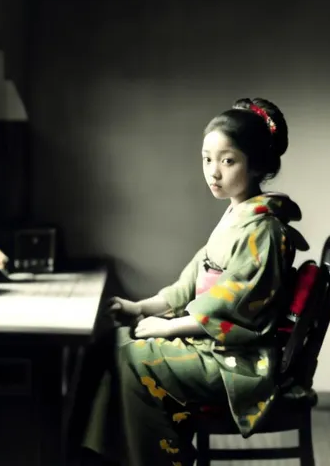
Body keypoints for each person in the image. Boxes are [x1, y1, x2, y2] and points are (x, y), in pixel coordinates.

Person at [67, 98, 309, 466]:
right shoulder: (235, 216)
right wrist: (141, 308)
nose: (214, 171)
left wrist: (166, 329)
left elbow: (232, 307)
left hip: (237, 360)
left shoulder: (264, 230)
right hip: (212, 344)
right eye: (206, 159)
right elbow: (191, 281)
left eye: (228, 161)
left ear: (257, 164)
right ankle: (104, 457)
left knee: (134, 358)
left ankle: (161, 459)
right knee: (111, 344)